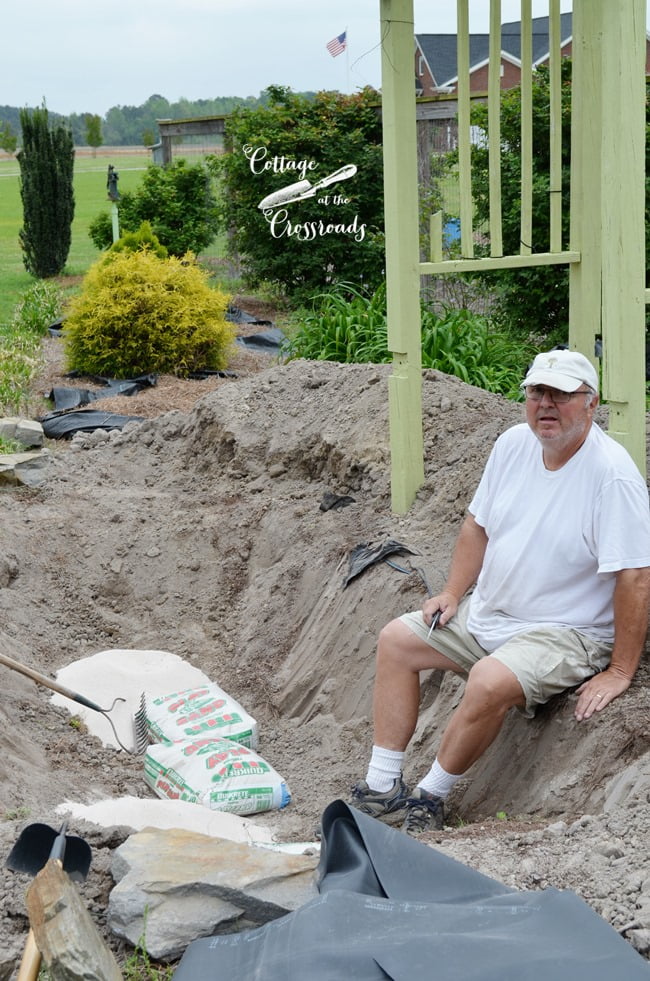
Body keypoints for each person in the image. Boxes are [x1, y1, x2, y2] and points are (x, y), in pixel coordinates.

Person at [351, 349, 650, 836]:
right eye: (537, 392)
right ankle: (382, 786)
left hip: (564, 630)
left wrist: (620, 670)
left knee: (488, 682)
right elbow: (477, 524)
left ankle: (431, 797)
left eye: (562, 395)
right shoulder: (514, 444)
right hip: (490, 611)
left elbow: (636, 576)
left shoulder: (611, 476)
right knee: (396, 640)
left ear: (591, 403)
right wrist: (452, 591)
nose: (546, 405)